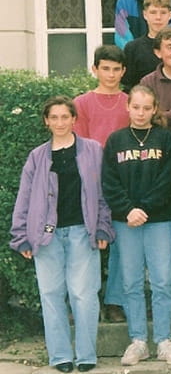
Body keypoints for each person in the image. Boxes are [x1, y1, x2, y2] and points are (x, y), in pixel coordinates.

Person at [10, 96, 114, 373]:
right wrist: (21, 236)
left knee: (84, 294)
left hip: (83, 232)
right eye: (53, 117)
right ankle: (60, 356)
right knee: (51, 294)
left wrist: (103, 226)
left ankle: (86, 355)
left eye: (65, 117)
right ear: (46, 121)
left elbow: (103, 193)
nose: (59, 122)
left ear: (74, 119)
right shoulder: (37, 157)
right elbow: (24, 197)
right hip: (46, 236)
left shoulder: (93, 150)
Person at [102, 85, 171, 367]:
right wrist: (128, 210)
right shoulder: (116, 140)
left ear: (154, 109)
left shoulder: (165, 138)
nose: (140, 113)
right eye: (136, 107)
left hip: (159, 219)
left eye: (147, 108)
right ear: (127, 107)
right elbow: (109, 181)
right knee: (131, 282)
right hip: (127, 222)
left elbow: (168, 178)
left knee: (162, 281)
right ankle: (138, 341)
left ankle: (163, 340)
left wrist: (145, 208)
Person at [73, 45, 129, 323]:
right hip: (92, 179)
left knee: (121, 241)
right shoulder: (81, 103)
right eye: (105, 68)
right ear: (95, 69)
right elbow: (79, 145)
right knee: (88, 239)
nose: (111, 74)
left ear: (123, 71)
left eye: (116, 69)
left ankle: (115, 300)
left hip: (123, 180)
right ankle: (86, 300)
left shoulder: (130, 102)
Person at [122, 0, 171, 91]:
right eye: (153, 12)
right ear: (145, 14)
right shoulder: (133, 48)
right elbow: (127, 85)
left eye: (163, 13)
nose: (158, 17)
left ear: (170, 15)